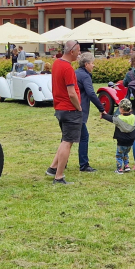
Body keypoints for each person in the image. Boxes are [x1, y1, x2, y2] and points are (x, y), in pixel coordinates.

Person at [46, 40, 82, 185]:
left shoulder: (56, 64)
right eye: (78, 51)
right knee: (67, 142)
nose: (79, 53)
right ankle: (59, 176)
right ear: (72, 51)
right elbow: (71, 93)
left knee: (65, 139)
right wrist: (78, 107)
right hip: (69, 108)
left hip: (60, 107)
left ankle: (53, 168)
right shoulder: (67, 68)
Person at [75, 52, 105, 173]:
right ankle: (84, 164)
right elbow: (91, 93)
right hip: (79, 110)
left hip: (70, 108)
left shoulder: (75, 72)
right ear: (86, 64)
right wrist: (101, 108)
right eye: (92, 63)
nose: (93, 66)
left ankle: (61, 162)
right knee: (83, 137)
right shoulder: (85, 76)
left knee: (67, 137)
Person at [101, 98, 135, 173]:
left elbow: (111, 118)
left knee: (119, 155)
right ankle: (126, 166)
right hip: (130, 141)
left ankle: (119, 169)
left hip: (121, 140)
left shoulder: (118, 118)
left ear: (121, 109)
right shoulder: (133, 117)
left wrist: (104, 115)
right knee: (126, 153)